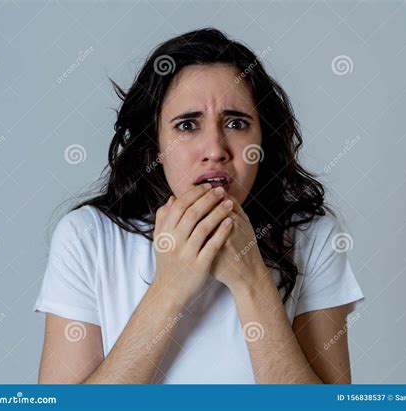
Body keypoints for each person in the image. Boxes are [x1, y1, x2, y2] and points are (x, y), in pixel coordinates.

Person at [34, 27, 364, 384]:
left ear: (262, 138)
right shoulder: (87, 237)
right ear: (155, 144)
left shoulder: (312, 235)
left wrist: (251, 279)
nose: (215, 149)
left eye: (236, 123)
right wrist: (170, 287)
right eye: (187, 125)